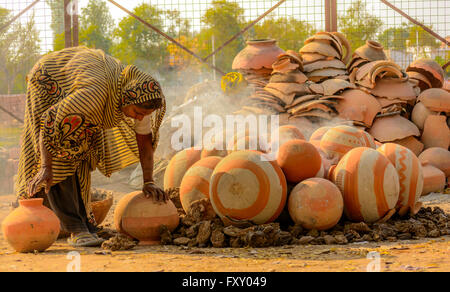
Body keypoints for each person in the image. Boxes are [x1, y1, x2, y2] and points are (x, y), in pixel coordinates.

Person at [15, 46, 167, 247]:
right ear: (125, 99)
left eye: (144, 115)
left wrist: (149, 181)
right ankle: (75, 227)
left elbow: (144, 142)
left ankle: (86, 222)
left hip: (81, 82)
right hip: (49, 79)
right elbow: (50, 122)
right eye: (137, 112)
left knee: (84, 153)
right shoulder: (94, 96)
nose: (139, 118)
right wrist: (45, 166)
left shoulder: (140, 95)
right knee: (62, 154)